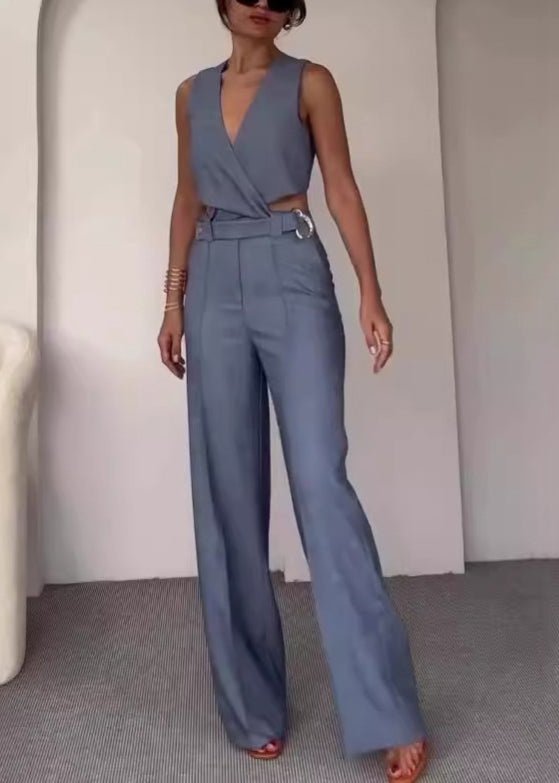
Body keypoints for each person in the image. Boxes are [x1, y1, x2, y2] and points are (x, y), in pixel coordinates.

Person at [157, 1, 428, 780]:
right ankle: (252, 706)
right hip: (213, 280)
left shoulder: (310, 83)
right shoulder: (189, 94)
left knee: (320, 482)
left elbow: (339, 186)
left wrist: (370, 291)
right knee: (227, 494)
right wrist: (172, 300)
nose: (262, 4)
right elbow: (186, 198)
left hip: (291, 268)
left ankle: (387, 709)